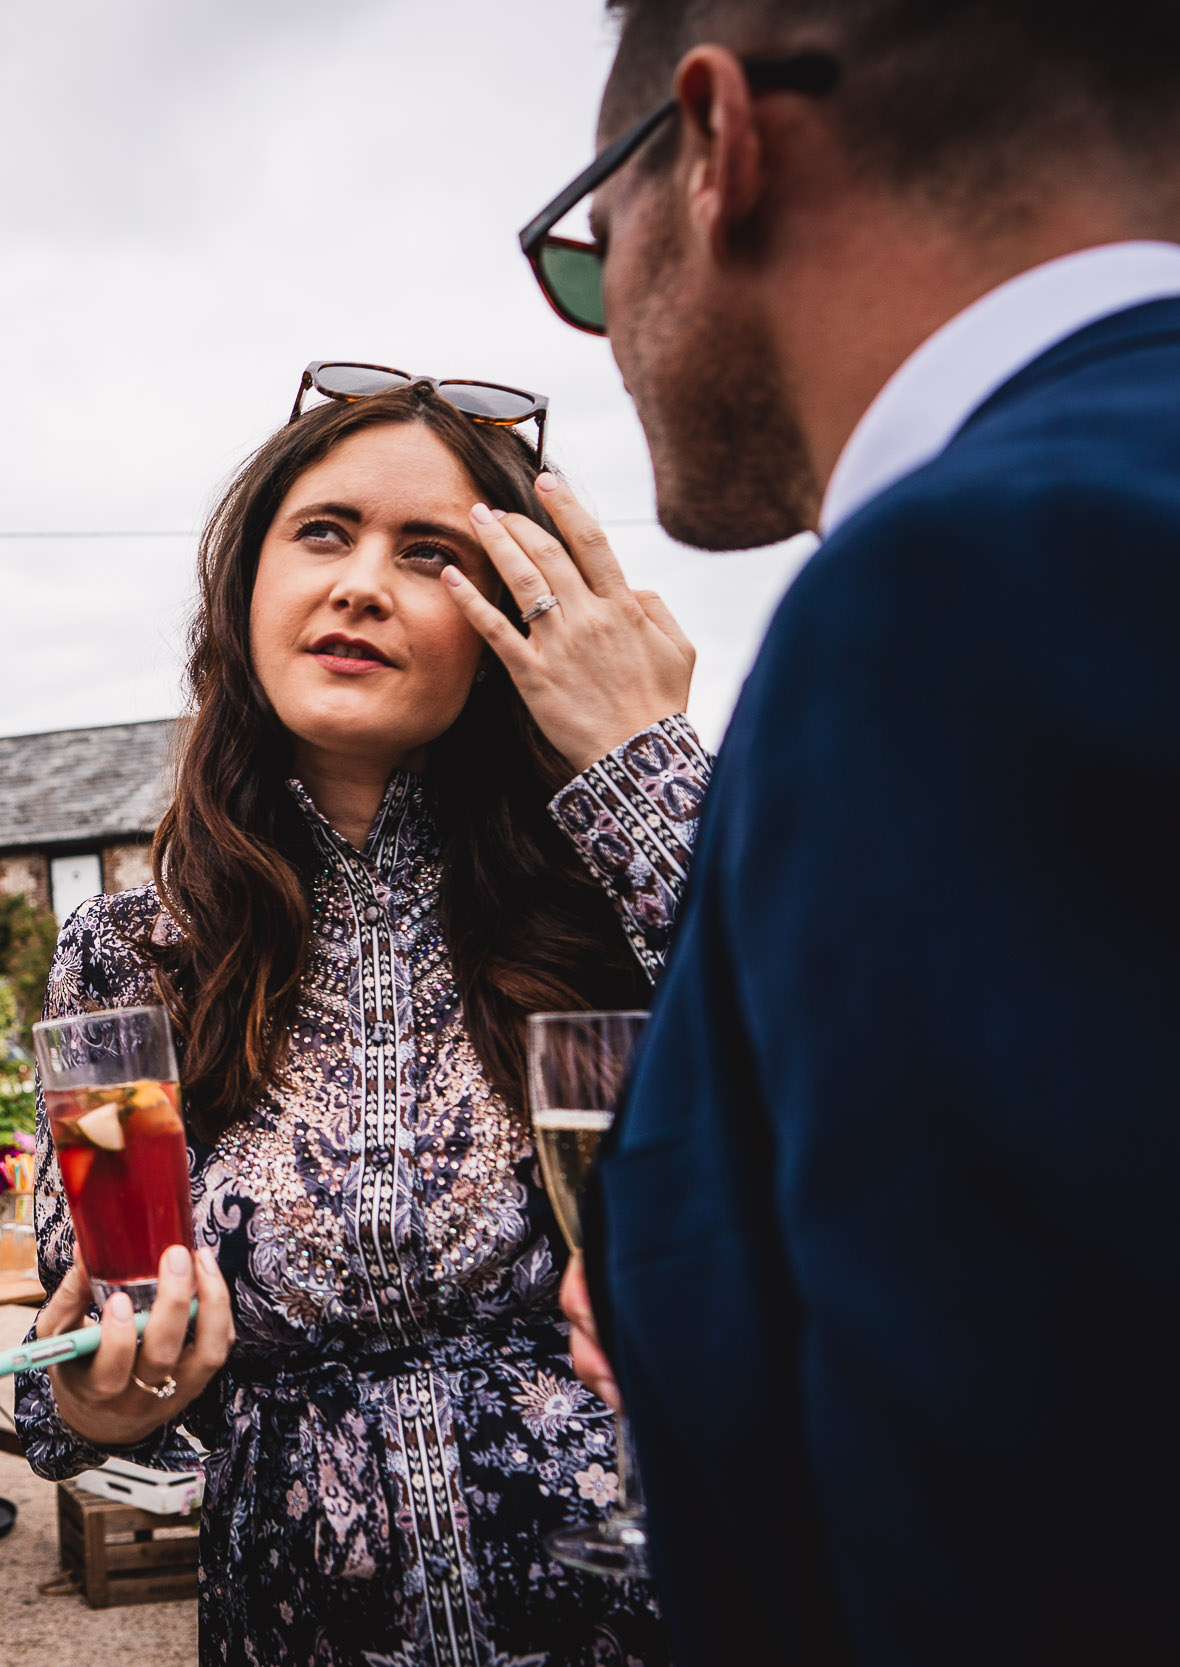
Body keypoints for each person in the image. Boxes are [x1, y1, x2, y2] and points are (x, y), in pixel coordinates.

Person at [531, 5, 1180, 1663]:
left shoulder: (964, 588)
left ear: (718, 145)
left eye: (591, 263)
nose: (605, 335)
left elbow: (1027, 1543)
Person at [12, 379, 707, 1665]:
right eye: (323, 531)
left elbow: (852, 1109)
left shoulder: (628, 881)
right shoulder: (125, 953)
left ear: (513, 608)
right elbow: (75, 1364)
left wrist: (646, 756)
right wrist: (99, 1392)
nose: (361, 583)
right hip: (295, 1619)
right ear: (247, 589)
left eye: (430, 550)